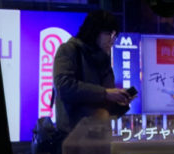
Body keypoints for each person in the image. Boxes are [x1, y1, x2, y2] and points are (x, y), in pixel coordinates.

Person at [53, 10, 132, 145]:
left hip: (100, 137)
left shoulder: (103, 58)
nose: (112, 40)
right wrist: (105, 93)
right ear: (93, 31)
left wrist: (119, 101)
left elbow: (105, 105)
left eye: (115, 35)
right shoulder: (69, 50)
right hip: (74, 138)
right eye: (108, 34)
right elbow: (64, 87)